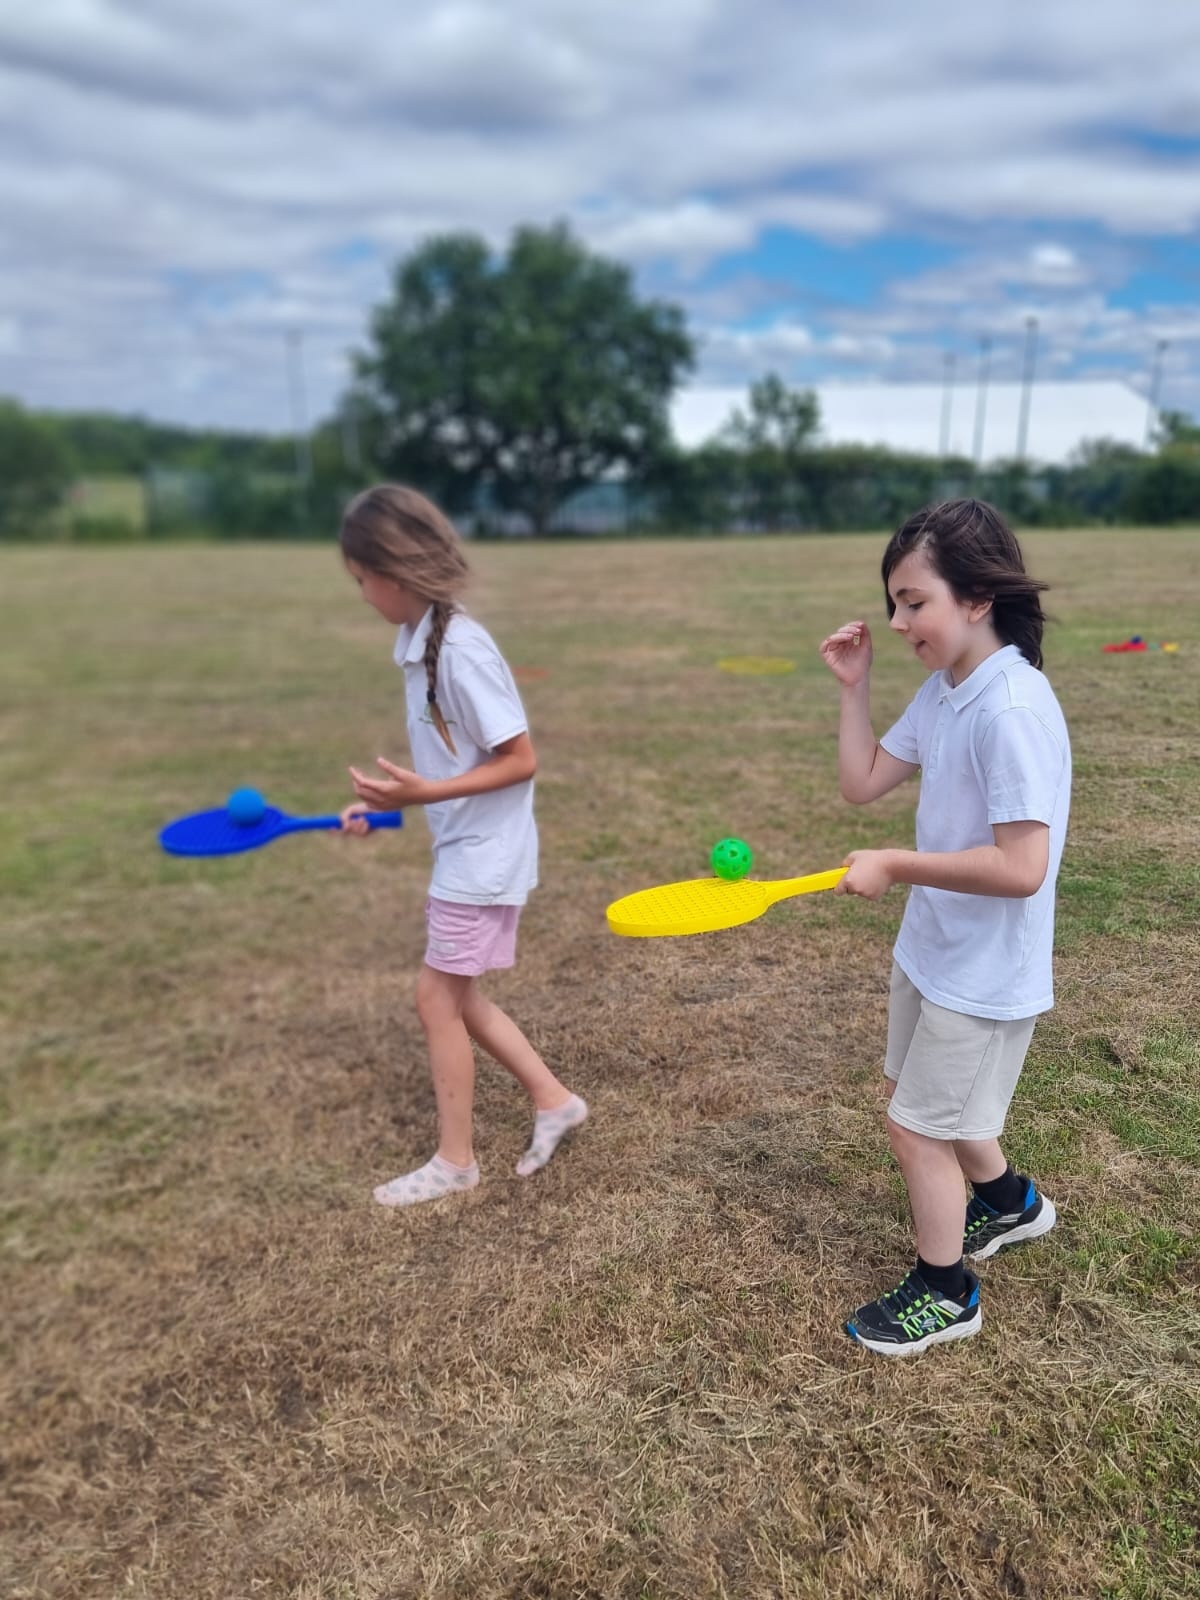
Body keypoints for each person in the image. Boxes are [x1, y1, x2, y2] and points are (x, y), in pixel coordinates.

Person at [819, 499, 1071, 1356]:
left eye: (913, 601)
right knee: (927, 1101)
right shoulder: (946, 691)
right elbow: (862, 782)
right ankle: (1008, 1203)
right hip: (934, 948)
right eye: (893, 602)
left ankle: (947, 1290)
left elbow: (1022, 866)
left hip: (985, 969)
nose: (897, 623)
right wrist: (854, 689)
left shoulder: (1011, 710)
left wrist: (898, 863)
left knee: (917, 1126)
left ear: (977, 598)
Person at [338, 484, 587, 1207]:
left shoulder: (461, 651)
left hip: (484, 857)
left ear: (394, 573)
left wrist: (420, 795)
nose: (362, 595)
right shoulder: (425, 643)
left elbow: (520, 759)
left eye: (362, 579)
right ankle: (555, 1100)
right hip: (468, 848)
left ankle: (456, 1162)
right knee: (458, 994)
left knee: (435, 997)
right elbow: (446, 773)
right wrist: (385, 808)